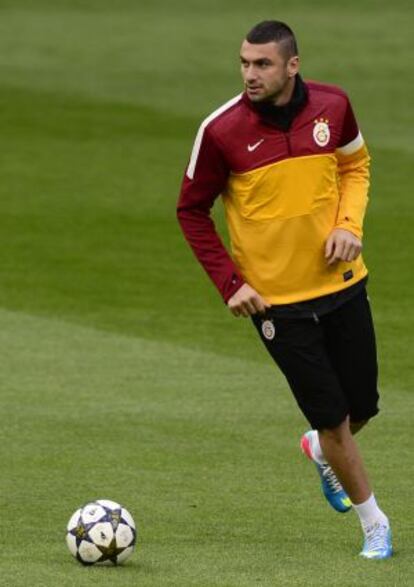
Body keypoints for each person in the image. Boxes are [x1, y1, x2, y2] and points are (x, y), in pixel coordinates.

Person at [176, 20, 392, 559]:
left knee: (361, 406)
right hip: (276, 303)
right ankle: (375, 525)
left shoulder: (334, 106)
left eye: (262, 64)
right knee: (333, 416)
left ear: (292, 65)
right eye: (245, 63)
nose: (250, 74)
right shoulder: (221, 131)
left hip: (344, 284)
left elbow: (356, 166)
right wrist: (232, 285)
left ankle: (318, 450)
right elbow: (191, 211)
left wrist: (349, 225)